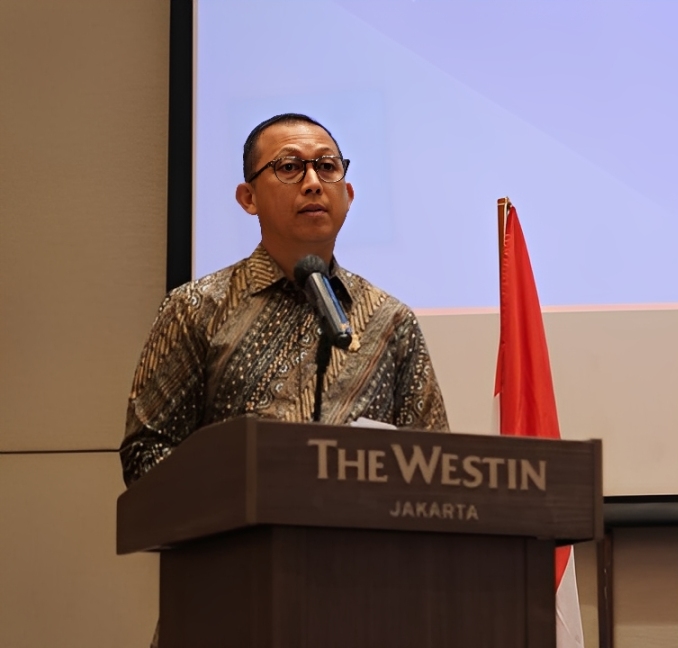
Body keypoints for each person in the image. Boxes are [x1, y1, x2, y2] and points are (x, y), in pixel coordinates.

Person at [119, 113, 449, 487]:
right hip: (236, 523)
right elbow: (145, 453)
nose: (313, 183)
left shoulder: (390, 320)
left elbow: (433, 463)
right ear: (248, 198)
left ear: (348, 195)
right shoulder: (195, 308)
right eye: (289, 167)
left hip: (357, 524)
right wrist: (237, 491)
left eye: (327, 167)